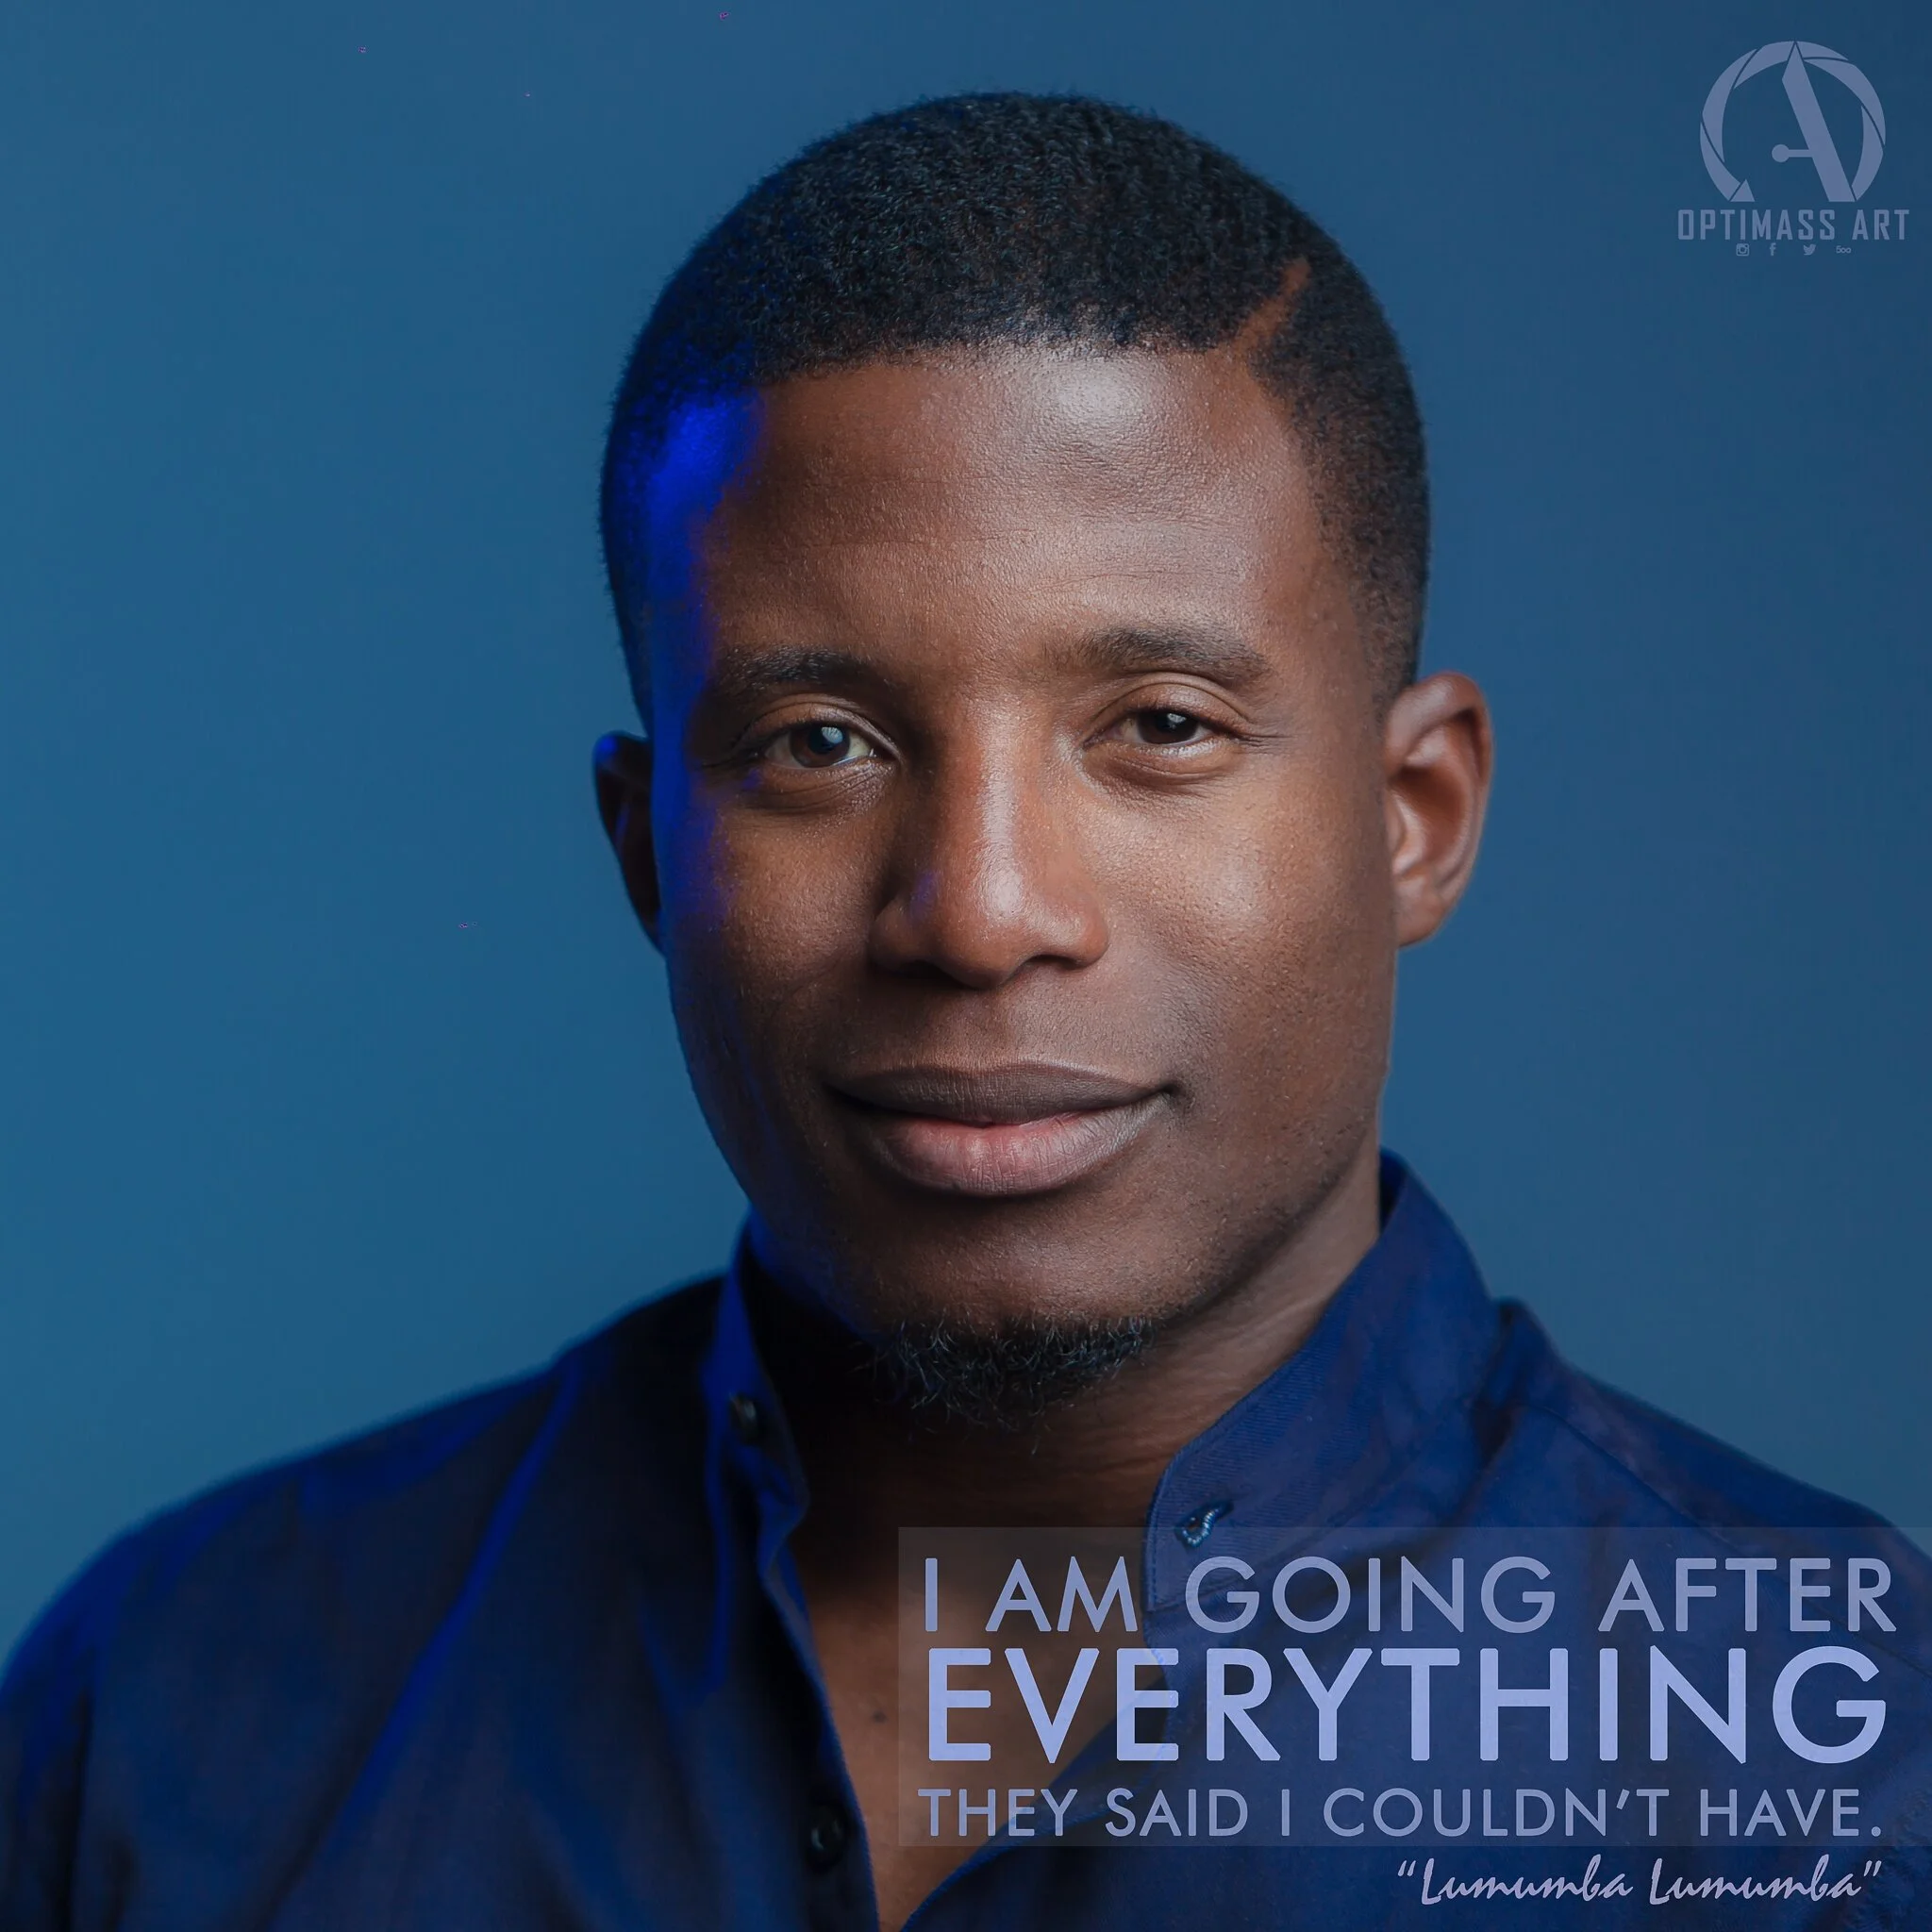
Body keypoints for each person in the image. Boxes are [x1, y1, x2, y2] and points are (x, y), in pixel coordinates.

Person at [2, 92, 1925, 1931]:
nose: (984, 914)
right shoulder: (172, 1718)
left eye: (1158, 724)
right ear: (647, 853)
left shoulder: (1841, 1791)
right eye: (818, 743)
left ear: (1414, 816)